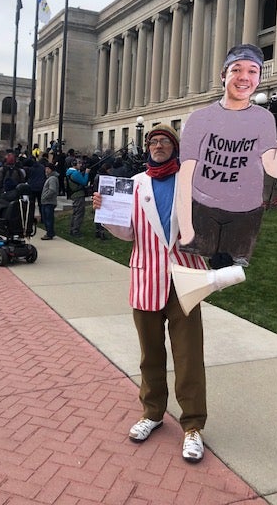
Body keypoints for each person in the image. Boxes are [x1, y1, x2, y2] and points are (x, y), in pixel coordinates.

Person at [93, 124, 207, 463]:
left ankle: (192, 426)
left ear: (174, 147)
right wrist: (106, 213)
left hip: (184, 281)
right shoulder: (135, 184)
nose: (158, 145)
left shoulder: (190, 182)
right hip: (146, 280)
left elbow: (210, 223)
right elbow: (128, 232)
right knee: (150, 355)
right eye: (153, 141)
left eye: (165, 141)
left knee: (189, 358)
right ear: (148, 148)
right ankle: (153, 413)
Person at [177, 44, 277, 269]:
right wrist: (187, 232)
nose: (244, 77)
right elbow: (184, 177)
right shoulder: (199, 119)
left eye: (253, 71)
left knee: (228, 278)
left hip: (245, 216)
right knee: (196, 278)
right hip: (203, 210)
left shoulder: (263, 119)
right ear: (223, 75)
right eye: (236, 69)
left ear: (259, 78)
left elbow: (276, 169)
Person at [66, 158, 90, 237]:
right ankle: (75, 231)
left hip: (74, 194)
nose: (81, 165)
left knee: (75, 213)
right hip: (78, 195)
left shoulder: (69, 172)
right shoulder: (75, 173)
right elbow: (84, 182)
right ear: (75, 164)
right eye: (79, 163)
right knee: (79, 213)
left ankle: (72, 229)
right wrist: (86, 173)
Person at [40, 163, 59, 240]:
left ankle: (49, 233)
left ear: (51, 169)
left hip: (49, 202)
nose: (46, 170)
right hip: (46, 202)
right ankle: (49, 232)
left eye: (47, 168)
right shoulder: (49, 178)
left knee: (48, 218)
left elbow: (52, 190)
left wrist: (45, 196)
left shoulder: (52, 179)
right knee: (45, 218)